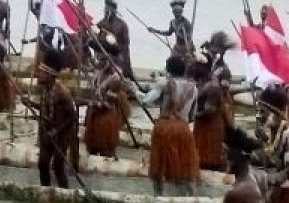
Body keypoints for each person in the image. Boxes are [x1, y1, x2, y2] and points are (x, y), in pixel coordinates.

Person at [140, 55, 199, 194]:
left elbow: (146, 101)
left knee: (159, 165)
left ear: (168, 70)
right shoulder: (194, 89)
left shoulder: (164, 84)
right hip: (183, 129)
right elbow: (192, 116)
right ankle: (189, 196)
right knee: (184, 163)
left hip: (164, 127)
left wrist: (132, 89)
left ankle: (158, 195)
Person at [26, 49, 78, 189]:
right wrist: (30, 103)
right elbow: (45, 109)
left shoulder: (62, 93)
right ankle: (46, 190)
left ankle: (64, 193)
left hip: (61, 134)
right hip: (46, 132)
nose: (38, 75)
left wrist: (56, 131)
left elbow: (72, 116)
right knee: (42, 163)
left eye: (42, 73)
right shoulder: (46, 90)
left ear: (49, 75)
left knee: (57, 166)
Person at [84, 47, 128, 159]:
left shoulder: (115, 78)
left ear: (109, 60)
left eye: (102, 60)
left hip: (106, 116)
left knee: (106, 149)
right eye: (98, 59)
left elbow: (108, 103)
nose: (98, 62)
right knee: (92, 148)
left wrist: (93, 104)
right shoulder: (98, 73)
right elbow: (93, 92)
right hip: (94, 114)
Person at [190, 61, 228, 170]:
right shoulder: (208, 83)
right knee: (201, 154)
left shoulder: (213, 87)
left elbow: (210, 110)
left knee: (208, 156)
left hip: (210, 125)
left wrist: (193, 116)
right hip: (204, 124)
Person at [96, 0, 133, 79]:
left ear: (113, 10)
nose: (105, 11)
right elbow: (98, 42)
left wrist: (121, 57)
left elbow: (126, 44)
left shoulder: (122, 24)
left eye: (107, 9)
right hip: (104, 58)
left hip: (117, 58)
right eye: (105, 9)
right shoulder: (101, 23)